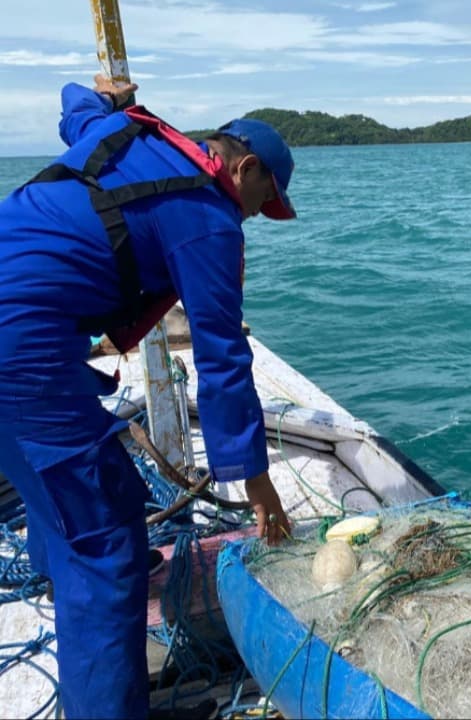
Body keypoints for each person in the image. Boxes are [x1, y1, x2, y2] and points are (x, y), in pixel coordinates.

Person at [0, 75, 294, 718]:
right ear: (243, 169)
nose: (250, 217)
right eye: (260, 201)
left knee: (59, 499)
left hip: (25, 335)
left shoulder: (118, 130)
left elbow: (73, 102)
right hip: (19, 348)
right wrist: (254, 480)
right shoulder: (210, 219)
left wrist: (108, 96)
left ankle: (66, 592)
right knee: (106, 546)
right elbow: (221, 357)